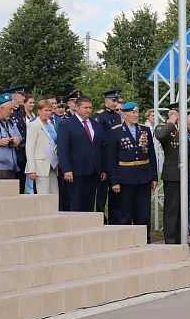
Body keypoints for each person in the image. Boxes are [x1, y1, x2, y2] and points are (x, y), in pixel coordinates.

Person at [107, 103, 158, 240]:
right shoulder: (116, 131)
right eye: (132, 113)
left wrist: (154, 177)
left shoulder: (144, 130)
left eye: (137, 112)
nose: (136, 115)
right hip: (125, 175)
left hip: (144, 175)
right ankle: (127, 239)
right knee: (125, 210)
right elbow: (111, 158)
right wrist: (114, 181)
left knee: (143, 210)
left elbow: (151, 155)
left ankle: (144, 238)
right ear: (124, 114)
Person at [57, 96, 107, 212]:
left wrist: (103, 168)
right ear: (77, 107)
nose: (88, 110)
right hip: (76, 170)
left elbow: (101, 147)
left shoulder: (96, 125)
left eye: (90, 108)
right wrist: (67, 169)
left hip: (93, 170)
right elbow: (63, 148)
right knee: (75, 203)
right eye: (85, 108)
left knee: (88, 203)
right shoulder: (66, 124)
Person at [155, 102, 190, 244]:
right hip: (172, 174)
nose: (179, 117)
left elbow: (189, 151)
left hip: (185, 174)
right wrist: (171, 123)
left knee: (183, 207)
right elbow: (160, 136)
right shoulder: (164, 127)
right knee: (172, 208)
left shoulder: (183, 129)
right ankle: (170, 238)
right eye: (176, 114)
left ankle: (181, 237)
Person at [93, 89, 123, 224]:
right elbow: (99, 140)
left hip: (116, 160)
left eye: (117, 100)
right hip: (104, 159)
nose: (115, 102)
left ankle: (114, 219)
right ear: (106, 100)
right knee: (101, 194)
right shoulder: (100, 116)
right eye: (113, 100)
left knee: (115, 193)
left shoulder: (117, 116)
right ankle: (100, 219)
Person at [25, 99, 59, 195]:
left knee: (54, 194)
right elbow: (30, 148)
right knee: (43, 195)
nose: (48, 113)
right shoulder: (34, 125)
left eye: (50, 110)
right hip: (40, 165)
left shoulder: (51, 125)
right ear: (39, 111)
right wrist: (32, 169)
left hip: (52, 165)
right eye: (46, 110)